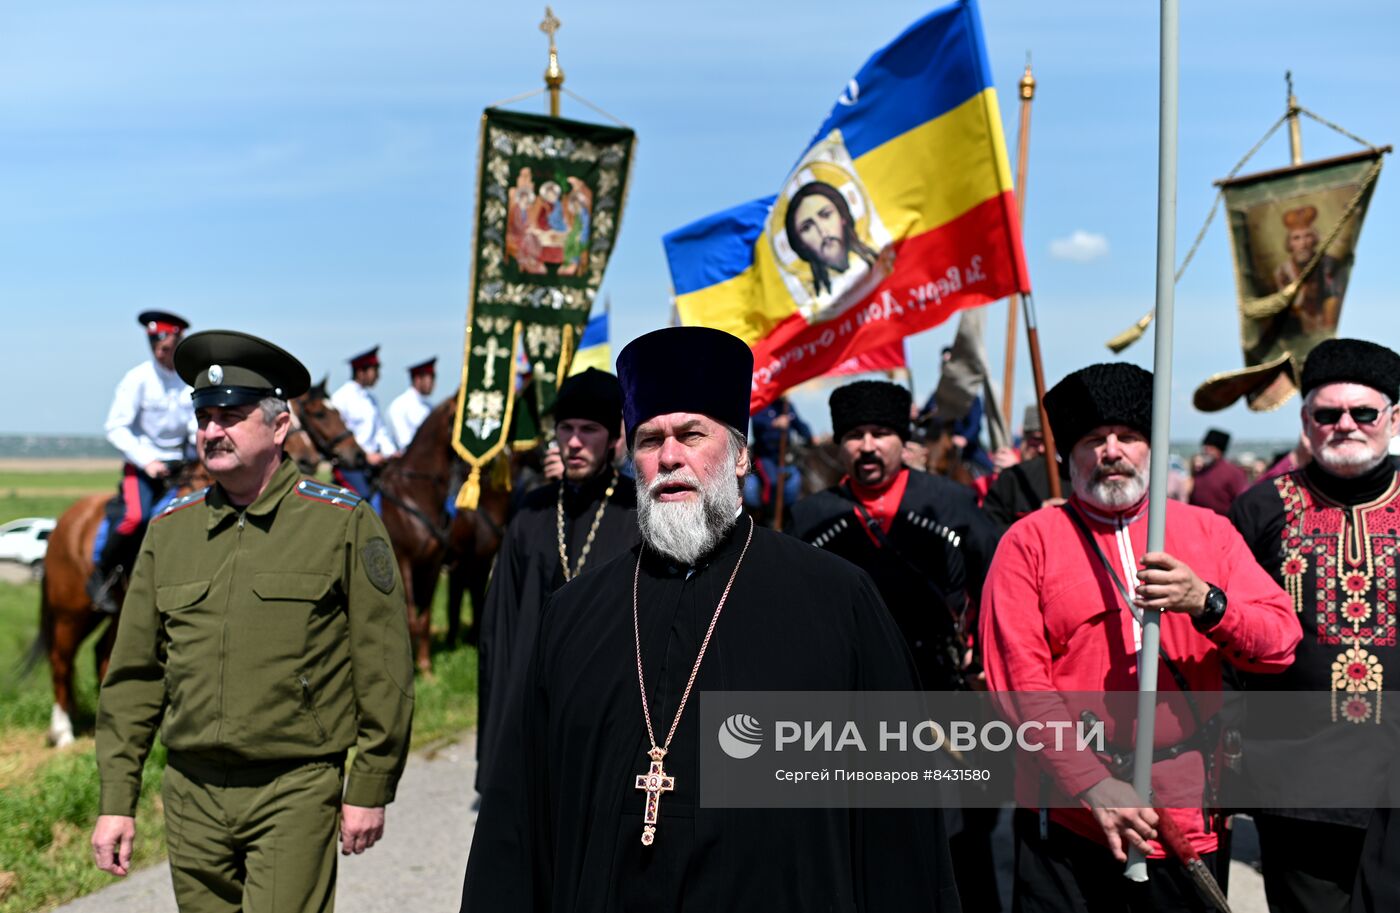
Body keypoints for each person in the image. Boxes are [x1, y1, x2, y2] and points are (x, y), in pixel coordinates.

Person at [460, 326, 960, 912]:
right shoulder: (573, 615)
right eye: (650, 440)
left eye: (691, 435)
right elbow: (517, 820)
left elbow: (895, 823)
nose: (669, 457)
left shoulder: (836, 599)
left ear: (741, 453)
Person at [91, 330, 415, 913]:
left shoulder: (340, 523)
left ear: (279, 425)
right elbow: (134, 676)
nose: (212, 431)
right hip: (190, 796)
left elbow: (383, 667)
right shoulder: (171, 532)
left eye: (231, 416)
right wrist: (117, 800)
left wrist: (369, 785)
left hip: (293, 789)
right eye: (204, 417)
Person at [980, 361, 1301, 912]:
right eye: (1092, 440)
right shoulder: (1029, 542)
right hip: (1070, 816)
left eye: (1128, 437)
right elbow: (1019, 683)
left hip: (1184, 814)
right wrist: (1091, 784)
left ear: (1151, 448)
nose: (1112, 451)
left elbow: (1279, 644)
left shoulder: (1209, 532)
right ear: (1066, 455)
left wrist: (1206, 603)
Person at [789, 379, 1000, 909]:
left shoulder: (953, 506)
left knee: (961, 844)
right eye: (855, 434)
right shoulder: (811, 518)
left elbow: (997, 580)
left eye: (880, 433)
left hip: (945, 700)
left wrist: (982, 646)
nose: (867, 446)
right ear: (839, 443)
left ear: (901, 440)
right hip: (849, 706)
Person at [1229, 338, 1400, 913]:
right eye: (1327, 414)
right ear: (1307, 421)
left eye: (1363, 413)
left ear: (1394, 417)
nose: (1345, 425)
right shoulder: (1259, 510)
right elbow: (1226, 639)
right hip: (1297, 782)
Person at [475, 367, 638, 789]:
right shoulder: (532, 513)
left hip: (610, 709)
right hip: (535, 706)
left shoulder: (636, 513)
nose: (575, 442)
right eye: (566, 429)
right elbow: (502, 628)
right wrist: (495, 749)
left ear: (615, 438)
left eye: (589, 429)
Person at [89, 311, 198, 612]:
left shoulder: (190, 380)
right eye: (156, 346)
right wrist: (147, 460)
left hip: (182, 467)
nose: (161, 351)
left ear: (179, 341)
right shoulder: (138, 379)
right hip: (143, 468)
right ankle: (103, 575)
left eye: (167, 345)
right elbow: (116, 427)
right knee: (135, 518)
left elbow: (194, 423)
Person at [783, 180, 880, 295]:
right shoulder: (814, 303)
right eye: (807, 228)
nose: (823, 232)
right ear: (800, 243)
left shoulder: (884, 263)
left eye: (826, 215)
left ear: (842, 217)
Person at [982, 404, 1068, 531]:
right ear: (1025, 438)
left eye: (1050, 443)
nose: (1042, 449)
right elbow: (988, 531)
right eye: (1036, 440)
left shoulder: (1071, 478)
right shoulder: (1008, 478)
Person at [331, 346, 398, 497]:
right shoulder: (341, 398)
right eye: (375, 371)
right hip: (352, 465)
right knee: (365, 500)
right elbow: (338, 437)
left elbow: (381, 430)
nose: (378, 376)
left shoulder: (372, 399)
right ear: (361, 372)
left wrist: (392, 452)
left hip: (376, 462)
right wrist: (365, 455)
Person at [742, 395, 811, 522]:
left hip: (785, 455)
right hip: (765, 456)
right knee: (772, 482)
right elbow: (757, 423)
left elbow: (799, 424)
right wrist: (774, 423)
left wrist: (810, 437)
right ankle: (770, 517)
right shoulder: (762, 405)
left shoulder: (786, 406)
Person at [1187, 428, 1250, 516]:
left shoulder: (1233, 473)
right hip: (1200, 521)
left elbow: (1243, 501)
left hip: (1223, 523)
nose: (1206, 450)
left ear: (1219, 450)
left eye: (1211, 448)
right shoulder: (1200, 472)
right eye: (1205, 447)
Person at [386, 357, 437, 449]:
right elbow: (404, 442)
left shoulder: (430, 407)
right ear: (418, 379)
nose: (433, 383)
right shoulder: (399, 406)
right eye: (431, 378)